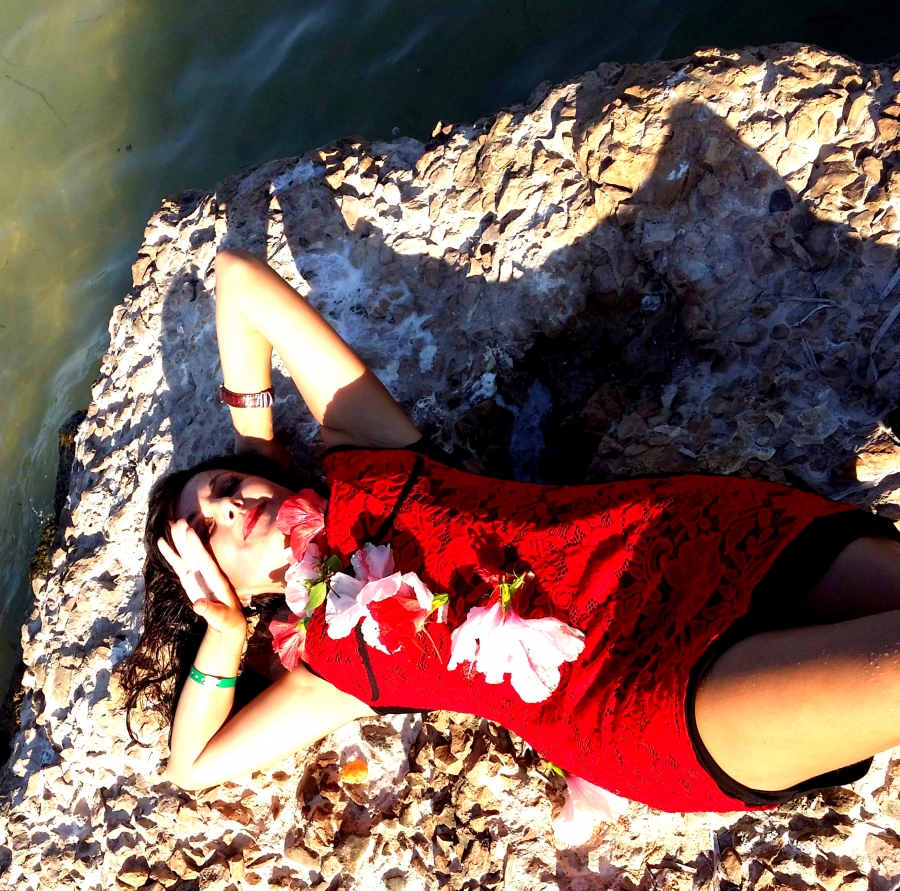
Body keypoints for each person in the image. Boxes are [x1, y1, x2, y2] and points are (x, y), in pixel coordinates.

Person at [120, 248, 900, 813]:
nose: (227, 508)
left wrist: (256, 449)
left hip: (686, 542)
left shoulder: (369, 454)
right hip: (638, 701)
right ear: (220, 582)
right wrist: (225, 630)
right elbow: (192, 764)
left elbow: (238, 279)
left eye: (223, 491)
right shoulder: (329, 672)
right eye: (207, 532)